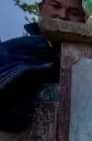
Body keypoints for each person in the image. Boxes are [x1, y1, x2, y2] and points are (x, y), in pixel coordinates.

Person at [0, 0, 85, 132]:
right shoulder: (14, 49)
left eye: (74, 13)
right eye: (55, 6)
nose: (62, 15)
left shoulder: (89, 62)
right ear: (41, 9)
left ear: (84, 19)